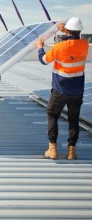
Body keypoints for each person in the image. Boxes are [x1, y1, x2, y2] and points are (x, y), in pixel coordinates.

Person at [35, 17, 89, 160]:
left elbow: (44, 60)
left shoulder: (59, 47)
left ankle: (52, 150)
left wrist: (40, 47)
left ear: (69, 30)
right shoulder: (84, 44)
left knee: (52, 116)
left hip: (60, 90)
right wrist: (66, 30)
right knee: (73, 120)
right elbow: (74, 39)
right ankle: (72, 152)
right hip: (77, 91)